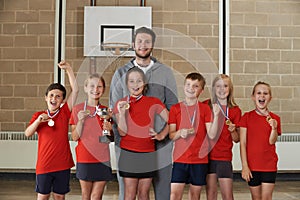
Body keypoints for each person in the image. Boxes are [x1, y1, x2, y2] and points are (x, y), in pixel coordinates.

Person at [109, 26, 178, 200]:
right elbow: (114, 108)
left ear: (153, 44)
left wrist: (164, 134)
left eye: (147, 41)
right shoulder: (121, 73)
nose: (143, 45)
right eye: (139, 41)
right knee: (128, 192)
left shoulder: (165, 72)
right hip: (129, 145)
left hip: (159, 144)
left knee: (161, 191)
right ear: (133, 44)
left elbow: (174, 109)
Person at [24, 61, 78, 200]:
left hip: (62, 164)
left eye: (58, 96)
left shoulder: (64, 113)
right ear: (46, 98)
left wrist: (69, 70)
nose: (54, 98)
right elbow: (27, 133)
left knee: (60, 197)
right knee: (43, 196)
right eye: (52, 95)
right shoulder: (39, 115)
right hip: (44, 165)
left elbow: (75, 90)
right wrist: (38, 121)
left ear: (62, 101)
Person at [113, 66, 169, 200]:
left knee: (144, 194)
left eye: (139, 81)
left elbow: (172, 119)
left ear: (144, 83)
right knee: (130, 194)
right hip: (129, 154)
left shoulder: (153, 102)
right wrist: (122, 114)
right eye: (131, 81)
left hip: (148, 153)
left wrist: (161, 134)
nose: (135, 84)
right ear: (127, 84)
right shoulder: (121, 103)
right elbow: (121, 132)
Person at [168, 72, 220, 200]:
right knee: (174, 194)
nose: (191, 88)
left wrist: (218, 116)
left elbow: (212, 134)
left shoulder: (205, 109)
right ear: (184, 86)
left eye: (195, 86)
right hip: (180, 159)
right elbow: (171, 135)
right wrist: (180, 133)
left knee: (195, 195)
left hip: (199, 160)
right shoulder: (175, 109)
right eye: (188, 84)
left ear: (201, 90)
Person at [69, 74, 113, 200]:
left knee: (96, 196)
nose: (96, 89)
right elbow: (75, 137)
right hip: (85, 158)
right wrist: (81, 121)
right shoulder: (77, 109)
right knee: (86, 196)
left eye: (99, 86)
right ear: (86, 88)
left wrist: (109, 130)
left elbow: (109, 140)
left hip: (102, 159)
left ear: (103, 89)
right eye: (92, 86)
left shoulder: (106, 111)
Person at [239, 81, 281, 200]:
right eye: (259, 93)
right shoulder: (246, 117)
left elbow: (272, 141)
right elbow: (242, 143)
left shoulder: (275, 119)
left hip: (269, 165)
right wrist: (245, 166)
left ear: (270, 98)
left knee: (266, 197)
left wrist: (274, 128)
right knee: (256, 197)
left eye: (265, 93)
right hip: (252, 166)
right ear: (253, 97)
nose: (262, 96)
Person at [204, 74, 241, 200]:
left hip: (224, 157)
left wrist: (232, 131)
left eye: (225, 86)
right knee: (211, 194)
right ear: (214, 88)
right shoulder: (206, 105)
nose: (221, 89)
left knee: (227, 195)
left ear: (230, 88)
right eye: (218, 86)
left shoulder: (235, 110)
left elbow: (237, 139)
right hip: (208, 157)